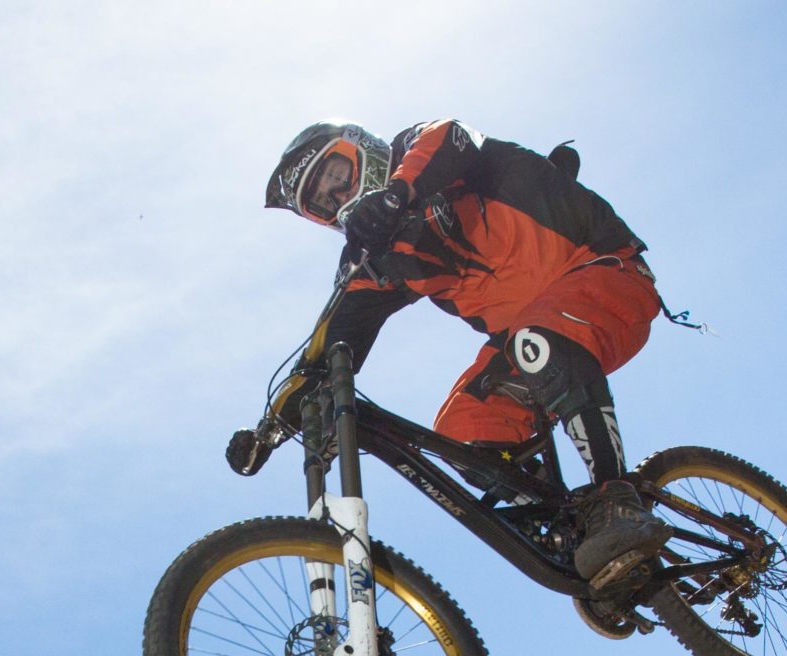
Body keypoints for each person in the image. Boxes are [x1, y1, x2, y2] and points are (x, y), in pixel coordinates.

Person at [233, 120, 672, 594]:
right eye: (325, 201)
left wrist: (399, 192)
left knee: (534, 341)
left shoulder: (428, 152)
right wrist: (272, 426)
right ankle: (576, 527)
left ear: (362, 149)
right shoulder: (377, 255)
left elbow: (450, 136)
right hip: (531, 343)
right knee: (464, 435)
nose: (339, 195)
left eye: (338, 174)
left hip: (605, 271)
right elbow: (334, 337)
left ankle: (615, 497)